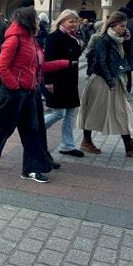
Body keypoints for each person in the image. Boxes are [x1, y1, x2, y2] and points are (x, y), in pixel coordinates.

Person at [0, 7, 70, 183]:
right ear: (28, 20)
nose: (39, 21)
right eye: (36, 18)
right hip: (14, 92)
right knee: (3, 126)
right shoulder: (15, 39)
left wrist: (64, 63)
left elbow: (37, 66)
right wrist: (15, 85)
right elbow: (1, 66)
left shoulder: (31, 40)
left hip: (29, 92)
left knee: (32, 130)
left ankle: (32, 169)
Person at [78, 12, 133, 157]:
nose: (124, 28)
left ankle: (129, 144)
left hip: (115, 80)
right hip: (102, 80)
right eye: (121, 26)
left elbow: (127, 56)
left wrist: (128, 40)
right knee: (94, 111)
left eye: (125, 26)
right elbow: (102, 62)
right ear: (112, 25)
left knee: (122, 112)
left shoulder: (119, 40)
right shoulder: (104, 39)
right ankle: (86, 141)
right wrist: (110, 81)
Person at [42, 10, 84, 157]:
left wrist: (79, 44)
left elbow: (74, 56)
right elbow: (48, 60)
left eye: (76, 21)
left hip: (70, 80)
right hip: (57, 80)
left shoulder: (72, 38)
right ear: (62, 21)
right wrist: (48, 81)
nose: (74, 24)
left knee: (70, 113)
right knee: (59, 113)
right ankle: (36, 128)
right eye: (71, 21)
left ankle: (67, 145)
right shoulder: (54, 37)